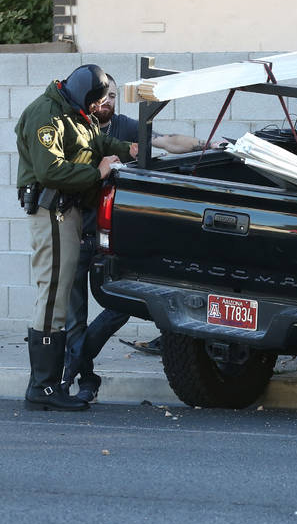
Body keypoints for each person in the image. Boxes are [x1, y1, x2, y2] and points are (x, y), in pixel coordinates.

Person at [61, 75, 224, 402]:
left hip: (114, 238)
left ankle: (77, 362)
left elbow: (167, 141)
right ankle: (82, 378)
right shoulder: (73, 131)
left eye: (112, 97)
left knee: (124, 302)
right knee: (73, 315)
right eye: (100, 97)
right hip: (77, 233)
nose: (106, 102)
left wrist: (207, 146)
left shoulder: (123, 127)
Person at [15, 65, 137, 410]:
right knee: (53, 295)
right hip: (51, 212)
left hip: (67, 214)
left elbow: (101, 142)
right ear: (85, 94)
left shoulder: (75, 113)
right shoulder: (47, 114)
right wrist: (97, 171)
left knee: (55, 296)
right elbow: (49, 170)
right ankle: (44, 388)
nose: (100, 105)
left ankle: (46, 386)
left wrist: (132, 149)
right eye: (98, 99)